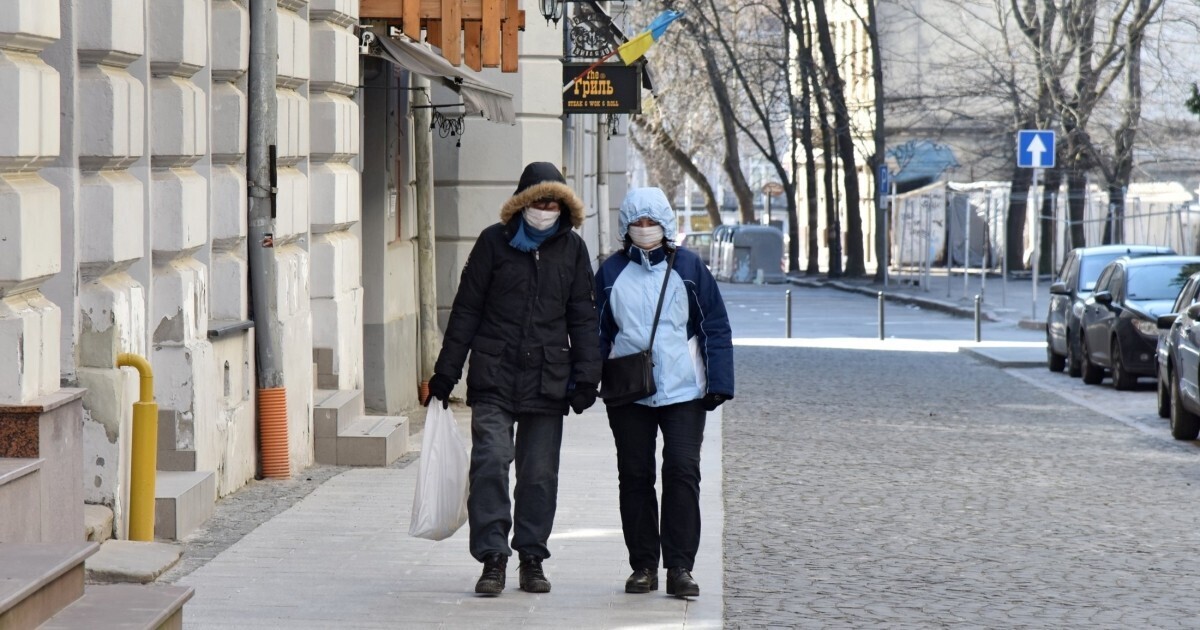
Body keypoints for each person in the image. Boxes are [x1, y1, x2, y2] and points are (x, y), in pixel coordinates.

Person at [424, 162, 601, 596]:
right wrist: (445, 374)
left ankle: (532, 557)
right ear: (522, 203)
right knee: (490, 463)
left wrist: (587, 377)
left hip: (548, 377)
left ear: (563, 206)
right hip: (495, 374)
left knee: (539, 475)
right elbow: (466, 310)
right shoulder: (493, 243)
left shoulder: (573, 250)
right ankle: (493, 557)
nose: (545, 209)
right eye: (538, 201)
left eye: (553, 202)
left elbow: (583, 315)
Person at [595, 187, 734, 598]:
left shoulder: (690, 267)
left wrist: (719, 381)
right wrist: (582, 383)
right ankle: (643, 566)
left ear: (666, 225)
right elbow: (596, 333)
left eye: (651, 222)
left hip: (683, 391)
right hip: (629, 392)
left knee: (682, 472)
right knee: (635, 476)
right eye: (637, 222)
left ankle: (679, 568)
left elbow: (715, 325)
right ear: (626, 227)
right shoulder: (611, 272)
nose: (644, 229)